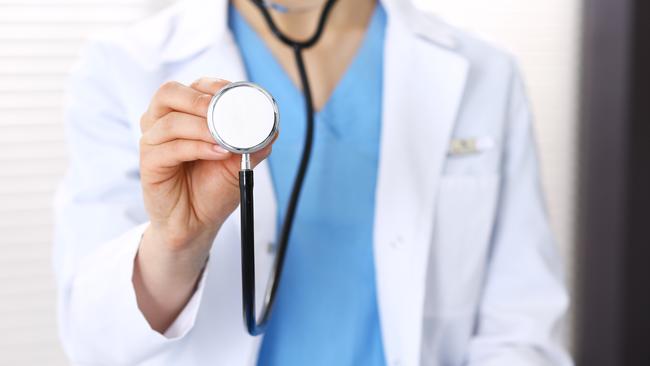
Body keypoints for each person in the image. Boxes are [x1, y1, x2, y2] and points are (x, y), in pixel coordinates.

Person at [53, 0, 573, 364]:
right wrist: (177, 237)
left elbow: (522, 322)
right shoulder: (125, 66)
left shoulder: (485, 72)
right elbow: (96, 342)